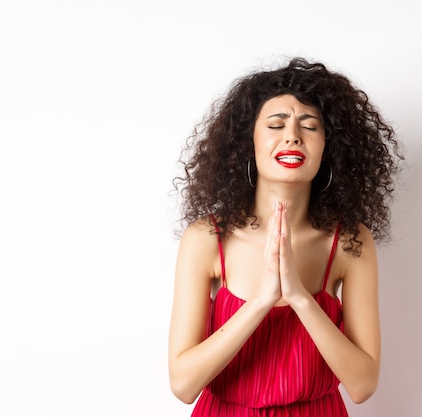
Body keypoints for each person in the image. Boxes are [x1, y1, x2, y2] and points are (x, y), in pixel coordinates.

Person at [168, 57, 403, 417]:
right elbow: (183, 386)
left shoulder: (350, 242)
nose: (293, 135)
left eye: (309, 126)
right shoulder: (207, 238)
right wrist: (263, 300)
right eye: (276, 125)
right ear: (249, 144)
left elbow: (362, 385)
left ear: (328, 148)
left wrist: (299, 297)